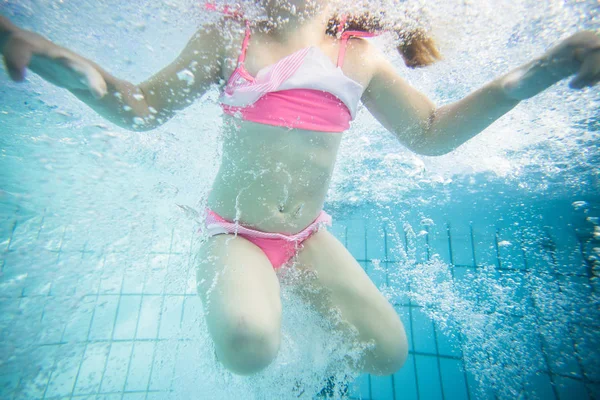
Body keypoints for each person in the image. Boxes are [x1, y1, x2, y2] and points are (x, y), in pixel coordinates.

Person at [1, 0, 599, 378]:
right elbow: (139, 109)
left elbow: (432, 135)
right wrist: (54, 60)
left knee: (386, 355)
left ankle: (292, 338)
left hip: (307, 238)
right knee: (249, 346)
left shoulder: (358, 57)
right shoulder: (227, 39)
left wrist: (539, 73)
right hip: (234, 232)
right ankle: (248, 298)